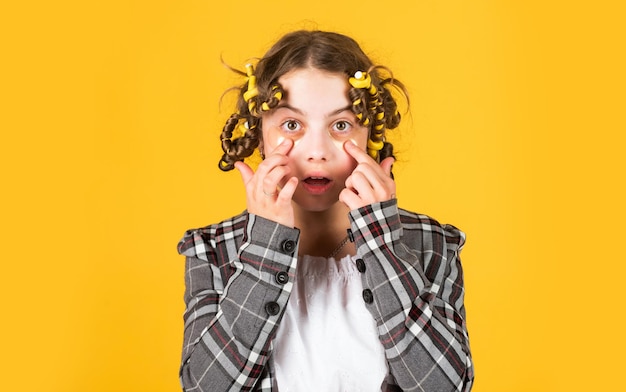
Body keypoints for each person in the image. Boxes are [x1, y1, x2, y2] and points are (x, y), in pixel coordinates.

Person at [177, 30, 474, 391]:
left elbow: (445, 386)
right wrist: (265, 243)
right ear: (259, 134)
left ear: (370, 135)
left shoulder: (431, 243)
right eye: (292, 125)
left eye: (340, 125)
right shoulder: (212, 248)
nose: (317, 150)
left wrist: (381, 241)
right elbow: (203, 387)